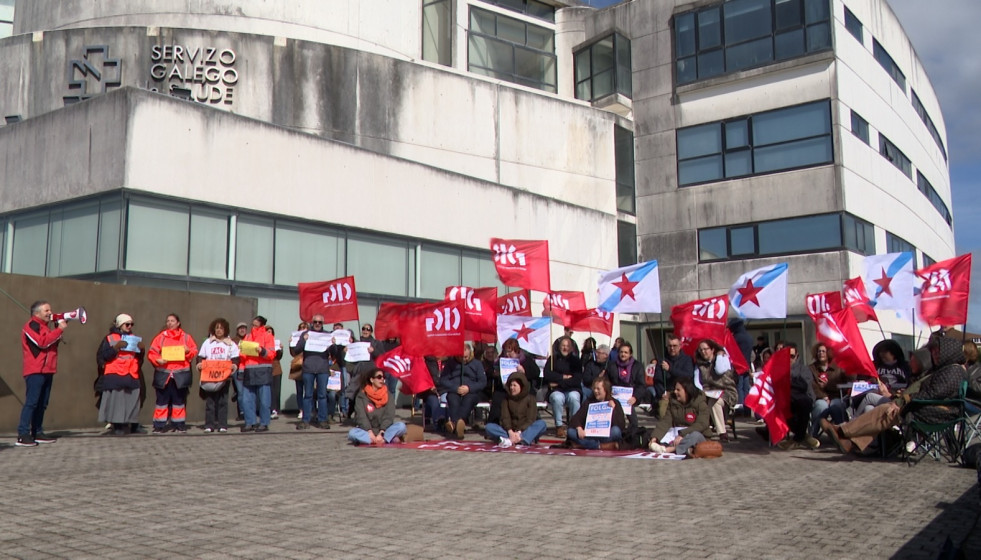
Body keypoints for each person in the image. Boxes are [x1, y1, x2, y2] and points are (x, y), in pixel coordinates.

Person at [823, 336, 965, 454]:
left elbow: (933, 393)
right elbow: (930, 392)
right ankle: (848, 438)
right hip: (926, 407)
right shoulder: (945, 370)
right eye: (934, 351)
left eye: (938, 352)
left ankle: (843, 431)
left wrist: (904, 400)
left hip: (935, 412)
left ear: (949, 353)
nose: (935, 355)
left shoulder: (954, 370)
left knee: (886, 410)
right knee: (883, 408)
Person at [16, 300, 67, 447]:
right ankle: (23, 433)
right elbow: (42, 343)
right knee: (31, 403)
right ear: (37, 313)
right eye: (47, 310)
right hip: (35, 371)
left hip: (48, 370)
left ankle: (37, 432)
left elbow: (49, 344)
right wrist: (59, 330)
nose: (50, 313)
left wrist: (57, 333)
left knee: (42, 403)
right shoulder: (31, 326)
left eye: (50, 310)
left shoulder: (46, 327)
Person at [147, 313, 198, 434]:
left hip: (180, 374)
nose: (170, 323)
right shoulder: (161, 337)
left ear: (178, 323)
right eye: (168, 321)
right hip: (164, 374)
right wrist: (157, 360)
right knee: (161, 401)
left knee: (179, 401)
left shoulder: (186, 337)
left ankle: (179, 424)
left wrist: (187, 351)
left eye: (172, 321)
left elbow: (194, 350)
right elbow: (152, 353)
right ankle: (159, 425)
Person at [97, 313, 145, 436]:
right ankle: (117, 425)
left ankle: (133, 424)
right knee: (117, 401)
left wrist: (142, 350)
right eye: (127, 324)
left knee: (133, 400)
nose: (130, 326)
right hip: (115, 373)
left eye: (131, 324)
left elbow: (139, 359)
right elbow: (104, 356)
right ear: (119, 324)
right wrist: (116, 348)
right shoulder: (109, 338)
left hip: (131, 373)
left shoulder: (134, 338)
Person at [649, 377, 712, 456]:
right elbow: (666, 421)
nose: (675, 392)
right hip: (677, 435)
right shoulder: (673, 402)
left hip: (697, 435)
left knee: (695, 436)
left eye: (678, 390)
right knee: (653, 433)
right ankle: (687, 449)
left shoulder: (700, 403)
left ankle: (672, 449)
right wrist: (655, 437)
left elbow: (702, 424)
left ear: (687, 391)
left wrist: (683, 434)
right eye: (675, 389)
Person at [197, 318, 239, 433]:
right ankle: (209, 425)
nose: (219, 330)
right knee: (210, 402)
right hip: (210, 376)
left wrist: (233, 366)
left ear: (225, 329)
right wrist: (200, 364)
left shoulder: (231, 344)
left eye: (221, 328)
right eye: (217, 328)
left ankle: (222, 424)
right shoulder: (208, 342)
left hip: (224, 377)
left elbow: (235, 359)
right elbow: (201, 356)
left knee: (222, 401)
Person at [291, 314, 333, 430]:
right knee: (308, 395)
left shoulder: (327, 335)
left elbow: (334, 353)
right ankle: (305, 420)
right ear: (312, 322)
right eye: (315, 322)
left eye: (320, 322)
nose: (318, 324)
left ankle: (322, 420)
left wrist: (333, 343)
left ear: (322, 324)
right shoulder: (306, 334)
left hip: (322, 369)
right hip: (308, 368)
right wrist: (304, 341)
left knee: (322, 395)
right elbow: (297, 350)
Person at [347, 368, 407, 445]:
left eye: (383, 377)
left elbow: (389, 416)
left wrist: (382, 432)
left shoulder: (388, 395)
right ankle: (386, 439)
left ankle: (380, 439)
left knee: (401, 426)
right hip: (367, 431)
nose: (382, 379)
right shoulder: (361, 396)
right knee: (352, 433)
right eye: (379, 377)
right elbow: (361, 417)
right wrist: (369, 432)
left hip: (384, 430)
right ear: (372, 380)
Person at [487, 338, 540, 425]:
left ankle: (529, 422)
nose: (507, 355)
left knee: (529, 397)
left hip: (523, 389)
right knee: (497, 397)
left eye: (510, 352)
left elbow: (536, 372)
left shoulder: (526, 360)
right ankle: (494, 423)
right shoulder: (500, 360)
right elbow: (490, 371)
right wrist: (495, 374)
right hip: (506, 389)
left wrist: (524, 371)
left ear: (517, 351)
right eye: (506, 352)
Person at [438, 344, 486, 439]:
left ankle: (455, 423)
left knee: (468, 400)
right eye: (461, 357)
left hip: (471, 392)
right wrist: (455, 388)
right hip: (455, 390)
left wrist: (469, 388)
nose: (463, 359)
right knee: (452, 399)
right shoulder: (451, 363)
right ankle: (459, 424)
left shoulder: (477, 364)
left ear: (470, 354)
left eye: (466, 357)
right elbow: (443, 380)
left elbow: (482, 382)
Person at [485, 373, 546, 447]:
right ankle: (515, 439)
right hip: (510, 431)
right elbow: (505, 418)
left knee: (541, 424)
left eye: (514, 385)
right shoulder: (506, 400)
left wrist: (519, 432)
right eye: (510, 385)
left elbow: (531, 419)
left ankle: (522, 439)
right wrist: (510, 431)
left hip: (525, 429)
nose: (512, 388)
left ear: (521, 386)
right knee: (489, 427)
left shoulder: (530, 398)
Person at [566, 376, 626, 450]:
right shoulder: (589, 402)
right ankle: (600, 446)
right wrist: (579, 428)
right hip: (590, 434)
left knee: (616, 431)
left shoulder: (615, 402)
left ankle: (585, 445)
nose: (595, 391)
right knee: (570, 432)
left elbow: (621, 425)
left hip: (606, 435)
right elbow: (576, 418)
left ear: (605, 390)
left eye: (598, 389)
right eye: (594, 388)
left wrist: (614, 410)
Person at [779, 344, 820, 450]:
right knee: (782, 407)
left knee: (803, 403)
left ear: (797, 356)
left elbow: (804, 385)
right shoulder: (779, 369)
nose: (789, 359)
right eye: (787, 356)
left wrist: (787, 382)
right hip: (786, 402)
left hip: (803, 399)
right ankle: (803, 436)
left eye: (792, 356)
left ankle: (798, 438)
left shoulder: (803, 369)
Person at [239, 316, 276, 432]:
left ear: (262, 325)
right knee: (247, 399)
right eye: (252, 324)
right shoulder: (248, 337)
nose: (253, 327)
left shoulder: (268, 336)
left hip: (263, 371)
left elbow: (271, 354)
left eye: (255, 325)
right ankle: (250, 422)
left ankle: (264, 423)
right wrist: (241, 351)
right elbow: (242, 356)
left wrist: (262, 351)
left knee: (264, 400)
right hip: (250, 370)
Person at [695, 338, 737, 442]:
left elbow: (719, 370)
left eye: (706, 349)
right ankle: (700, 429)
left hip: (726, 391)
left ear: (712, 349)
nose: (703, 352)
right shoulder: (699, 365)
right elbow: (697, 381)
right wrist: (702, 391)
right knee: (699, 401)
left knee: (715, 402)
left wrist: (718, 355)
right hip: (708, 392)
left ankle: (722, 433)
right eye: (701, 350)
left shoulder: (722, 358)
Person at [544, 336, 583, 440]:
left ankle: (574, 425)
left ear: (571, 348)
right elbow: (547, 375)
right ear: (559, 347)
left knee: (574, 397)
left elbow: (577, 379)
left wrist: (557, 383)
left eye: (567, 346)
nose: (565, 348)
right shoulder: (552, 359)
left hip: (572, 389)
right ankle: (559, 426)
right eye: (563, 346)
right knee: (557, 398)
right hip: (557, 391)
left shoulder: (576, 361)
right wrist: (563, 377)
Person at [809, 342, 849, 439]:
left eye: (823, 351)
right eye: (819, 351)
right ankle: (813, 436)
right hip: (820, 397)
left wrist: (828, 385)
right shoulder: (811, 368)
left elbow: (845, 384)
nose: (821, 353)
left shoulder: (838, 367)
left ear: (829, 353)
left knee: (836, 405)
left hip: (837, 396)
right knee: (821, 406)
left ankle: (843, 435)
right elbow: (812, 386)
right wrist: (824, 396)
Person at [604, 340, 646, 433]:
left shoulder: (637, 366)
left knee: (633, 422)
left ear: (630, 354)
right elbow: (606, 381)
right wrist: (609, 391)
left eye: (626, 352)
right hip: (615, 396)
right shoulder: (612, 365)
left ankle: (632, 436)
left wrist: (635, 397)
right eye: (621, 352)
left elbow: (641, 385)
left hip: (630, 398)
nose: (623, 354)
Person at [289, 321, 308, 419]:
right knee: (299, 389)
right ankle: (301, 409)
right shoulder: (296, 338)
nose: (303, 329)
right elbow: (293, 353)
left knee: (308, 389)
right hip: (298, 364)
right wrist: (290, 344)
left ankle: (308, 409)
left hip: (308, 364)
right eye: (301, 327)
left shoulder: (310, 337)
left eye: (305, 327)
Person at [265, 325, 284, 420]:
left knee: (276, 390)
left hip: (276, 368)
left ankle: (275, 409)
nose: (269, 333)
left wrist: (281, 349)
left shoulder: (276, 342)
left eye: (270, 332)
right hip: (265, 368)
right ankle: (268, 409)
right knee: (267, 390)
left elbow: (279, 357)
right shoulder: (262, 343)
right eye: (267, 331)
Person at [231, 321, 249, 421]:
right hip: (237, 368)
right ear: (237, 330)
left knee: (248, 392)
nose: (242, 330)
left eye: (244, 328)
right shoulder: (233, 341)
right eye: (240, 328)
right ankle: (242, 412)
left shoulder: (250, 339)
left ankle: (248, 411)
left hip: (248, 368)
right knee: (240, 392)